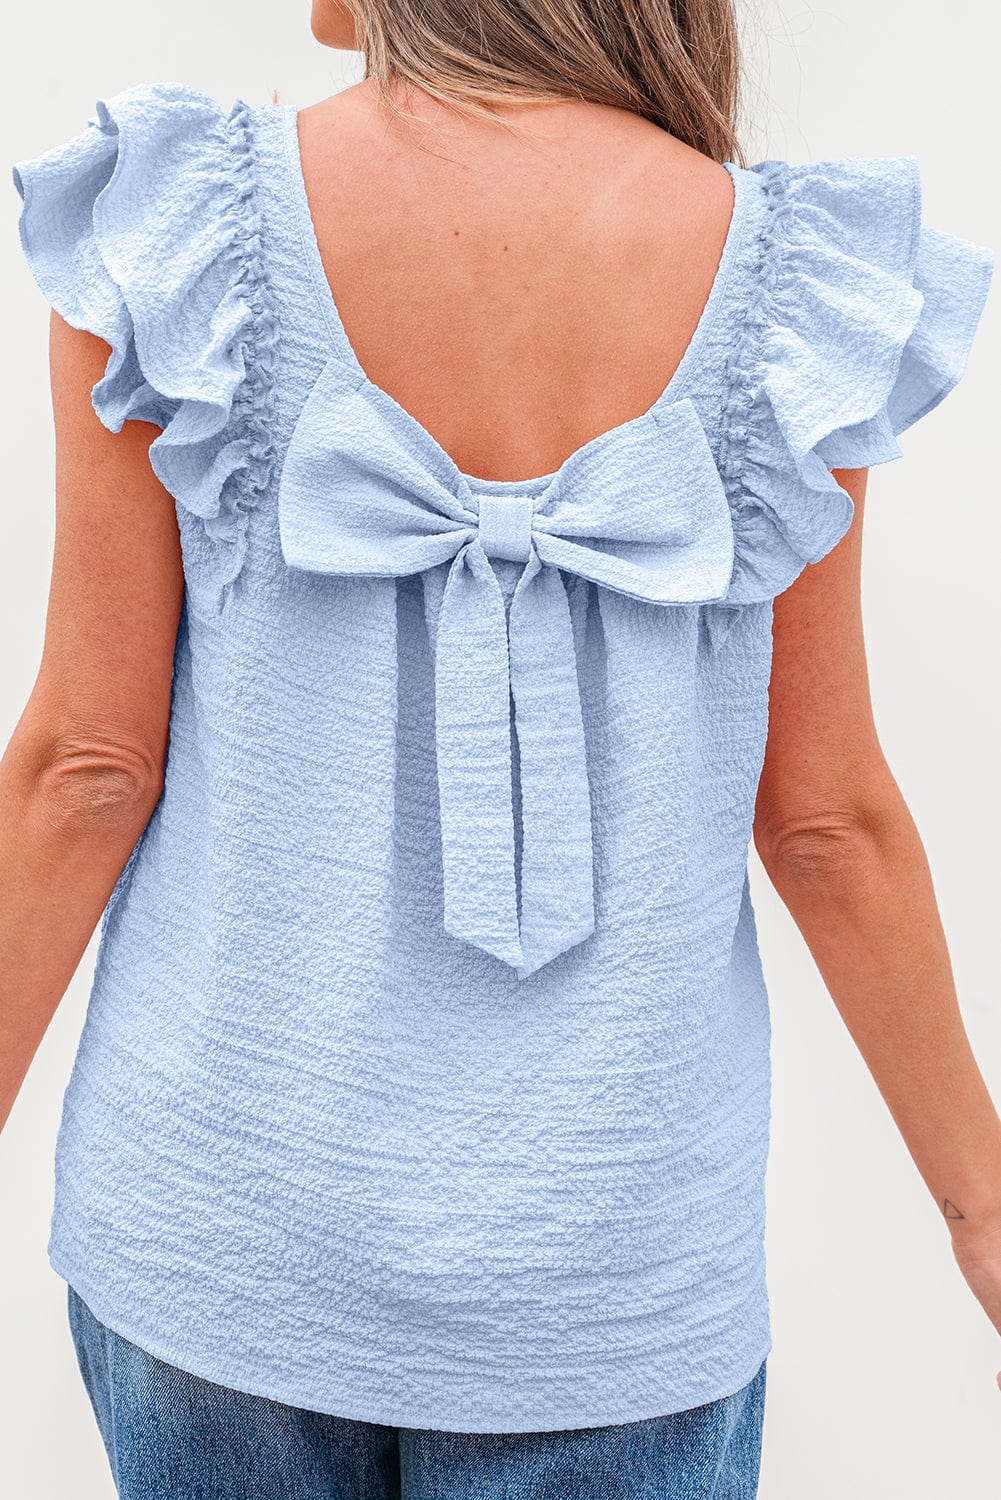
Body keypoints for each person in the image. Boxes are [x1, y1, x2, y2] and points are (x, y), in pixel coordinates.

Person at [2, 0, 998, 1495]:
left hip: (220, 1234)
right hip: (605, 1275)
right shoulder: (797, 283)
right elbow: (823, 825)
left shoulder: (176, 228)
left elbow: (86, 767)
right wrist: (983, 1210)